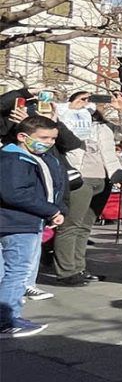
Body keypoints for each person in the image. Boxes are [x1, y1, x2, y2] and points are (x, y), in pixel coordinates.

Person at [0, 116, 67, 337]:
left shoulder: (39, 158)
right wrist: (50, 210)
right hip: (17, 222)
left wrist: (55, 210)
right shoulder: (14, 159)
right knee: (17, 272)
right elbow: (15, 193)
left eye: (53, 138)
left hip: (25, 220)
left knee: (12, 272)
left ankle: (10, 317)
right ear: (23, 136)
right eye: (43, 138)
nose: (48, 142)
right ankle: (6, 321)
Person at [50, 102, 122, 286]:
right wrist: (62, 114)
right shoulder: (67, 120)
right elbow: (65, 140)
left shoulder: (104, 127)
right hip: (80, 177)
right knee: (71, 225)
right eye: (83, 99)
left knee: (85, 227)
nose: (89, 103)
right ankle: (66, 271)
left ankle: (79, 267)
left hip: (104, 178)